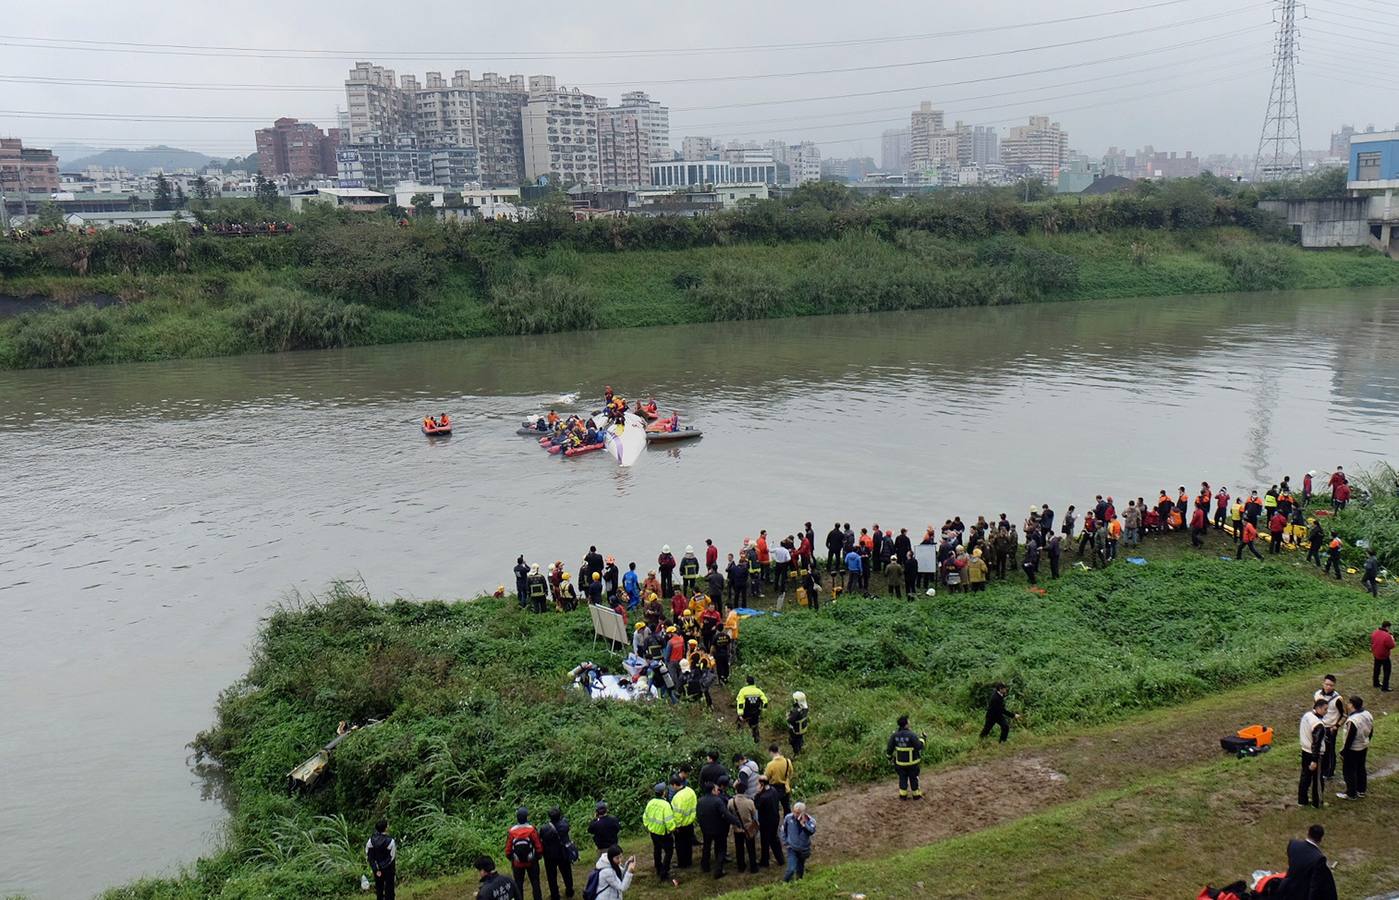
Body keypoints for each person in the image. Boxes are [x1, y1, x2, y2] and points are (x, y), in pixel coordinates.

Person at [696, 781, 742, 878]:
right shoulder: (717, 801)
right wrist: (736, 822)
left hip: (706, 829)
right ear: (713, 790)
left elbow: (698, 816)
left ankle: (705, 866)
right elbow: (726, 814)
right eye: (717, 789)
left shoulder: (700, 801)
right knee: (721, 849)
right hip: (718, 829)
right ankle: (718, 869)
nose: (718, 791)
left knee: (706, 847)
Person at [1282, 825, 1337, 900]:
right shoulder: (1319, 858)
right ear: (1320, 839)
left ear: (1308, 833)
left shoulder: (1293, 844)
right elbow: (1314, 885)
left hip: (1287, 888)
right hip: (1301, 893)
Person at [1337, 695, 1374, 801]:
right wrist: (1367, 740)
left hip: (1353, 749)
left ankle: (1351, 793)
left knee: (1349, 771)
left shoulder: (1352, 720)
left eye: (1348, 703)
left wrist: (1344, 752)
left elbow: (1349, 738)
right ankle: (1361, 790)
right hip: (1364, 745)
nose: (1347, 705)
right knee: (1361, 768)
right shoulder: (1367, 714)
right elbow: (1371, 729)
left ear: (1352, 705)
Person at [506, 807, 545, 900]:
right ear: (526, 817)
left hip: (517, 863)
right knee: (535, 883)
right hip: (531, 861)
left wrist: (512, 858)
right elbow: (538, 847)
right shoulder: (531, 830)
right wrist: (537, 857)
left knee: (518, 884)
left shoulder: (512, 831)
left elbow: (508, 849)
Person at [1298, 696, 1328, 809]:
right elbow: (1316, 744)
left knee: (1305, 777)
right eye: (1325, 709)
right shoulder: (1318, 725)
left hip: (1304, 750)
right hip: (1314, 754)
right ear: (1319, 708)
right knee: (1318, 780)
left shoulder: (1307, 716)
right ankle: (1317, 802)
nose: (1326, 712)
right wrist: (1315, 760)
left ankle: (1302, 800)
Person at [538, 807, 575, 900]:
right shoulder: (565, 825)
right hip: (563, 853)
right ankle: (569, 891)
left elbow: (541, 838)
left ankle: (555, 895)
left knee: (551, 876)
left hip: (550, 855)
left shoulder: (544, 829)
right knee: (567, 872)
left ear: (549, 817)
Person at [642, 783, 676, 882]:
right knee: (669, 852)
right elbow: (669, 820)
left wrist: (648, 826)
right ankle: (664, 873)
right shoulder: (665, 805)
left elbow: (645, 817)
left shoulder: (651, 802)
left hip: (653, 832)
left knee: (657, 850)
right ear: (664, 793)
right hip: (663, 833)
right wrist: (673, 829)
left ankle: (658, 868)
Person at [887, 714, 924, 800]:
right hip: (913, 764)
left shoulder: (895, 735)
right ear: (906, 724)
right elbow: (919, 746)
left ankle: (903, 796)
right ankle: (916, 795)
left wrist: (889, 758)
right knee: (914, 779)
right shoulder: (912, 735)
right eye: (909, 721)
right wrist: (923, 738)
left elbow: (889, 749)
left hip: (900, 764)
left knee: (902, 779)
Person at [1315, 675, 1344, 781]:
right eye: (1326, 684)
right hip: (1319, 725)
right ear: (1323, 683)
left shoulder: (1338, 699)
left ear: (1334, 686)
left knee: (1330, 750)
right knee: (1320, 748)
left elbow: (1344, 714)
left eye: (1331, 685)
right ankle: (1321, 768)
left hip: (1330, 728)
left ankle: (1330, 772)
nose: (1328, 687)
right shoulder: (1317, 694)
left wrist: (1336, 726)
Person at [780, 802, 816, 883]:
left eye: (798, 813)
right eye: (794, 812)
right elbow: (783, 830)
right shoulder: (788, 818)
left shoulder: (810, 820)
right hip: (792, 848)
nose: (796, 814)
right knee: (791, 869)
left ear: (803, 812)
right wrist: (786, 842)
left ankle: (799, 882)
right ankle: (784, 883)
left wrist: (804, 825)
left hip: (804, 849)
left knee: (800, 868)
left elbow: (811, 831)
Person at [729, 777, 759, 874]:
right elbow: (754, 814)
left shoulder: (731, 802)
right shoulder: (749, 802)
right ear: (745, 790)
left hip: (737, 829)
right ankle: (753, 867)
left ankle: (741, 866)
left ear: (736, 790)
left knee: (739, 849)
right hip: (748, 828)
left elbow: (729, 813)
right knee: (751, 849)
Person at [670, 775, 697, 870]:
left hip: (681, 826)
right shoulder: (690, 791)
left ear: (674, 785)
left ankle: (682, 863)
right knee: (688, 844)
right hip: (690, 823)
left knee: (680, 846)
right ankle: (689, 861)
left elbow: (677, 815)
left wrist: (676, 826)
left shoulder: (677, 797)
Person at [366, 819, 397, 900]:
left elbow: (369, 854)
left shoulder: (371, 840)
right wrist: (384, 866)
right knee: (389, 887)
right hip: (388, 868)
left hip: (376, 868)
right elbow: (392, 856)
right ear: (386, 828)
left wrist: (376, 867)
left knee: (379, 887)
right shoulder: (390, 841)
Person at [764, 742, 794, 816]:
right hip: (785, 787)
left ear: (771, 752)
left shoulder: (770, 764)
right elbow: (790, 773)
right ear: (778, 750)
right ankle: (788, 823)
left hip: (774, 789)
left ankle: (776, 825)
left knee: (775, 809)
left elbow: (766, 777)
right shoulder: (787, 761)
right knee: (787, 807)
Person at [736, 675, 768, 742]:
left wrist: (740, 713)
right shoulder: (758, 691)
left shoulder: (743, 691)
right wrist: (764, 709)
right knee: (755, 726)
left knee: (740, 724)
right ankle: (756, 739)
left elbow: (740, 703)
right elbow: (765, 701)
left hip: (746, 712)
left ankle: (739, 739)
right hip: (755, 713)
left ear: (747, 682)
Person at [1373, 621, 1394, 692]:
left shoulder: (1375, 632)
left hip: (1376, 654)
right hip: (1384, 655)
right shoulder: (1387, 635)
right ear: (1387, 627)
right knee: (1387, 671)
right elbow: (1391, 646)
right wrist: (1392, 638)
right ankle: (1385, 687)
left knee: (1376, 669)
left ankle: (1375, 683)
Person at [788, 692, 810, 756]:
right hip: (802, 728)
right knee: (800, 739)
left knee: (793, 742)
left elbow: (790, 720)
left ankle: (796, 753)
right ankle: (801, 747)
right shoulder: (805, 708)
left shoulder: (796, 711)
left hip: (795, 730)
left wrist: (788, 716)